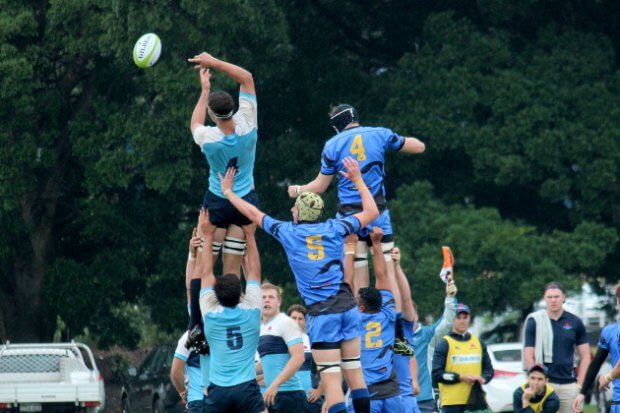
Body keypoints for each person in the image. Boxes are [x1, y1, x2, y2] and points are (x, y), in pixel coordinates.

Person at [219, 156, 379, 413]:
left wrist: (228, 191)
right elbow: (372, 212)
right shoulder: (336, 226)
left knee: (333, 384)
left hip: (322, 313)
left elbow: (252, 213)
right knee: (355, 374)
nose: (292, 211)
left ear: (299, 213)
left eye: (294, 209)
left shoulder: (287, 231)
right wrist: (358, 180)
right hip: (348, 308)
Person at [287, 104, 425, 293]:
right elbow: (418, 147)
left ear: (336, 126)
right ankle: (391, 317)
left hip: (349, 217)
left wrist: (297, 189)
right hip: (378, 211)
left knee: (358, 265)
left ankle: (363, 314)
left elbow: (320, 186)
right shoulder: (380, 133)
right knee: (388, 267)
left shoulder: (332, 145)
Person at [188, 51, 258, 276]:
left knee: (203, 266)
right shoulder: (248, 123)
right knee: (232, 273)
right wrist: (214, 62)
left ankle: (199, 311)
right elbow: (246, 78)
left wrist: (204, 90)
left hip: (217, 202)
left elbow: (195, 122)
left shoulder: (208, 140)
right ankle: (233, 309)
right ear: (233, 107)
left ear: (212, 114)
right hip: (244, 200)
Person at [192, 209, 265, 413]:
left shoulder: (211, 315)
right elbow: (255, 272)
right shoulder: (252, 311)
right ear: (241, 292)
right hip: (247, 388)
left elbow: (205, 272)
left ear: (216, 295)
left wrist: (207, 235)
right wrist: (250, 235)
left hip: (219, 389)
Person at [347, 227, 404, 412]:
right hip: (391, 390)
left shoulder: (354, 320)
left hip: (366, 392)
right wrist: (377, 244)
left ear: (361, 308)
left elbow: (347, 283)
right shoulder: (388, 314)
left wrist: (349, 248)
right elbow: (382, 276)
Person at [523, 282, 591, 413]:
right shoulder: (535, 321)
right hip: (545, 384)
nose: (553, 300)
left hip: (570, 385)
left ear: (563, 297)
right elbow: (528, 354)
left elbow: (586, 356)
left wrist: (580, 385)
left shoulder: (575, 321)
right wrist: (535, 382)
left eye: (557, 296)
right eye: (549, 297)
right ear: (544, 298)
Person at [410, 269, 458, 413]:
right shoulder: (394, 338)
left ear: (416, 315)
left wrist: (450, 298)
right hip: (398, 400)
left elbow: (448, 322)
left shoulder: (426, 335)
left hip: (424, 400)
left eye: (409, 313)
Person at [432, 303, 494, 413]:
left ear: (469, 318)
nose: (462, 321)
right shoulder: (444, 343)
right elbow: (437, 374)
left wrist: (483, 378)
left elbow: (488, 370)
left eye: (465, 317)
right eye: (458, 317)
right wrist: (460, 377)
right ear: (453, 319)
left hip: (475, 401)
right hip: (452, 403)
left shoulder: (478, 343)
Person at [257, 282, 307, 412]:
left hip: (290, 395)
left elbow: (299, 357)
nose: (266, 300)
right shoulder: (261, 328)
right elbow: (268, 362)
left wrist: (275, 385)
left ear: (279, 302)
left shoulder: (287, 323)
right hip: (271, 394)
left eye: (271, 297)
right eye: (263, 297)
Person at [573, 283, 620, 413]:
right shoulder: (609, 332)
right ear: (617, 300)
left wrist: (608, 377)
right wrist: (582, 393)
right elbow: (596, 363)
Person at [391, 247, 422, 413]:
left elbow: (405, 298)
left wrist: (396, 267)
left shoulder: (404, 327)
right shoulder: (374, 324)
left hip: (404, 399)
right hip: (379, 399)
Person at [288, 304, 325, 413]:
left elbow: (326, 368)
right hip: (287, 397)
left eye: (300, 319)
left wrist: (320, 390)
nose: (297, 321)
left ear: (305, 321)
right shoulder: (279, 340)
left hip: (311, 397)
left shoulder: (313, 340)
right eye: (293, 318)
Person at [171, 331, 207, 413]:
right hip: (225, 396)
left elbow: (175, 372)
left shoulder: (188, 337)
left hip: (199, 400)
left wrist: (183, 392)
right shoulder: (225, 331)